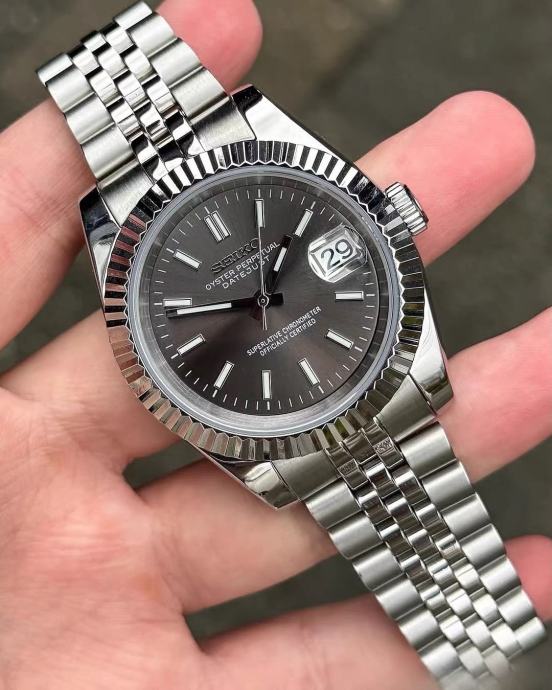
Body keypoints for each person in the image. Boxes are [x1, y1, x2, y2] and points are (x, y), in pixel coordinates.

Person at [0, 0, 550, 687]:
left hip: (350, 376)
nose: (261, 303)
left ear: (391, 218)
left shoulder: (231, 170)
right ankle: (487, 652)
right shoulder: (128, 245)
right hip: (300, 410)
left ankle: (489, 649)